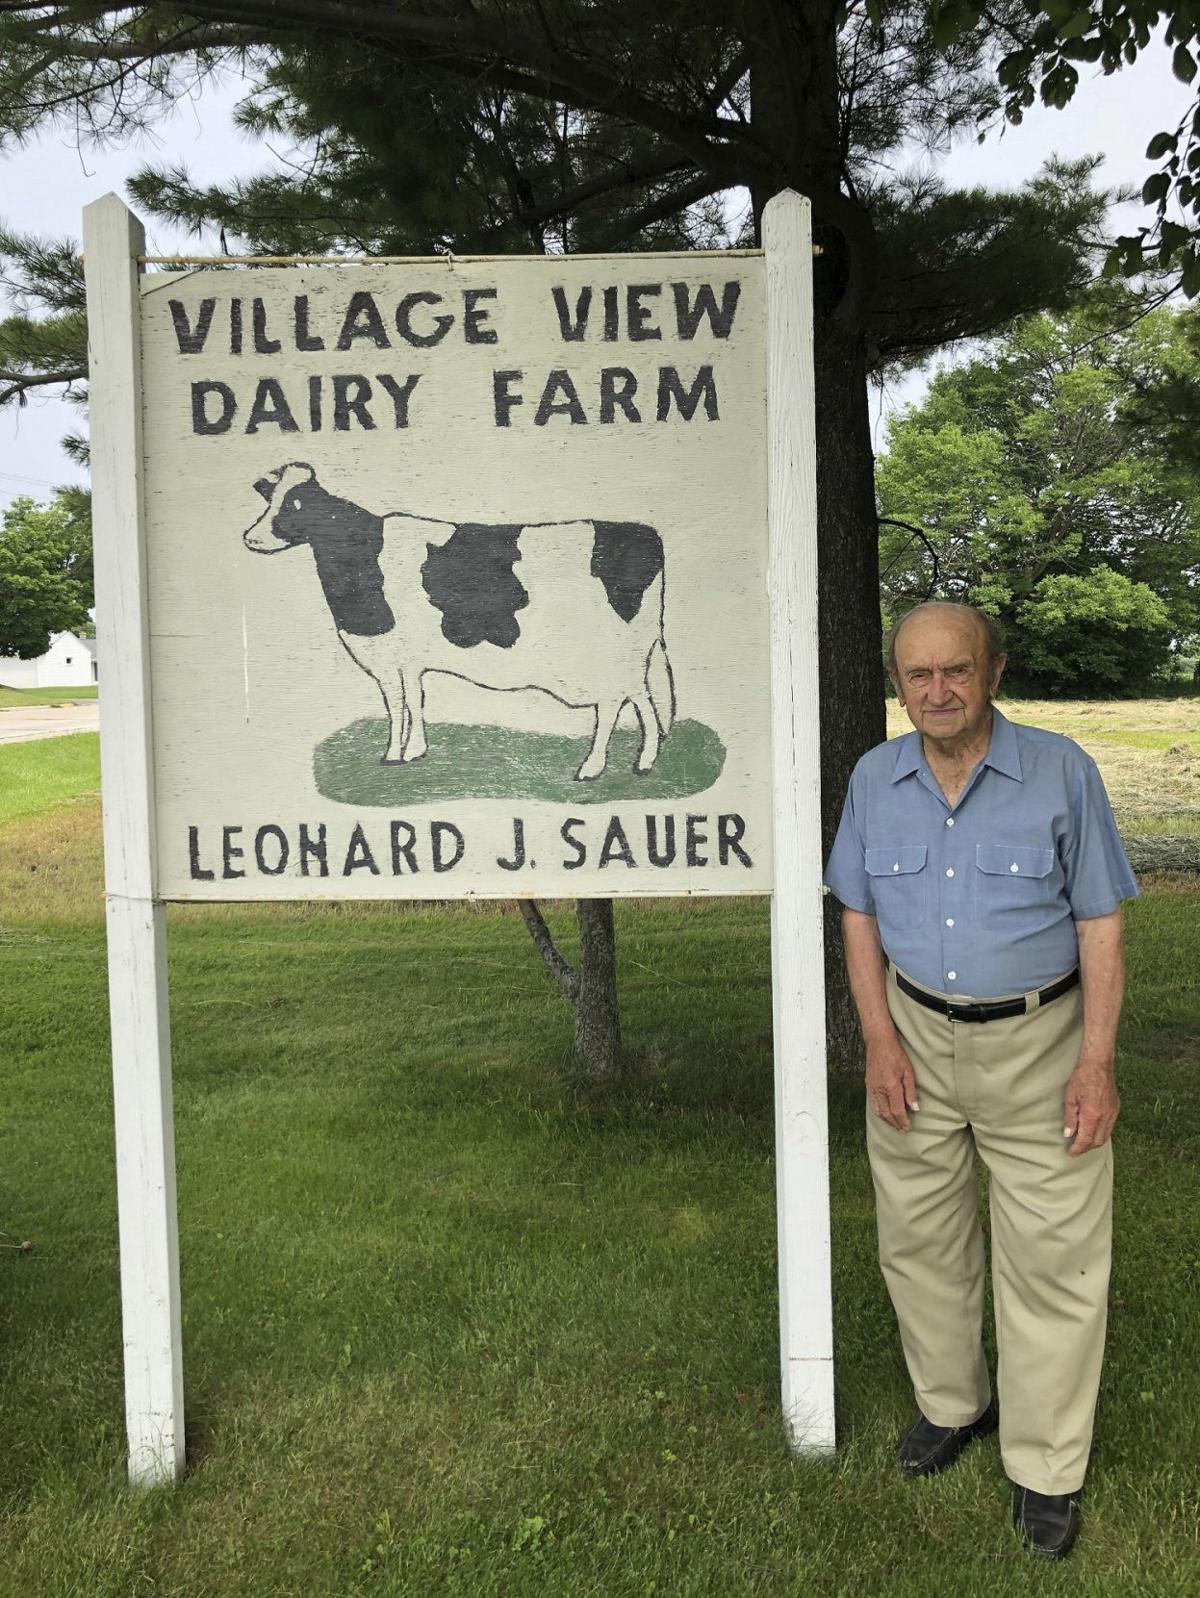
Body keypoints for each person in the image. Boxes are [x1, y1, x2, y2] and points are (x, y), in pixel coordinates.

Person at [823, 601, 1138, 1562]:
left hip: (1042, 1044)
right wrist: (878, 1039)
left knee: (1052, 1256)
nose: (938, 692)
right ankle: (952, 1405)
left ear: (994, 671)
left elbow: (1100, 924)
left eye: (956, 671)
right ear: (898, 682)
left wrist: (1096, 1061)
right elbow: (859, 912)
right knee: (919, 1237)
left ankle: (1046, 1467)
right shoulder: (876, 779)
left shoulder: (1061, 773)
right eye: (917, 676)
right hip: (913, 1034)